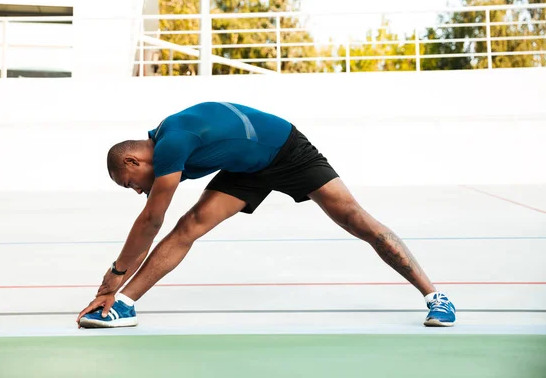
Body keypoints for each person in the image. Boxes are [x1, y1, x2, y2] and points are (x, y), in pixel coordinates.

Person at [76, 101, 456, 328]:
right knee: (189, 226)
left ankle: (436, 297)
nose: (138, 189)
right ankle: (124, 306)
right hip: (246, 166)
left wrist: (115, 275)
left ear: (133, 159)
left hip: (286, 150)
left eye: (131, 182)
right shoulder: (165, 136)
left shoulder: (171, 144)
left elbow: (150, 220)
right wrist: (116, 289)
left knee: (355, 220)